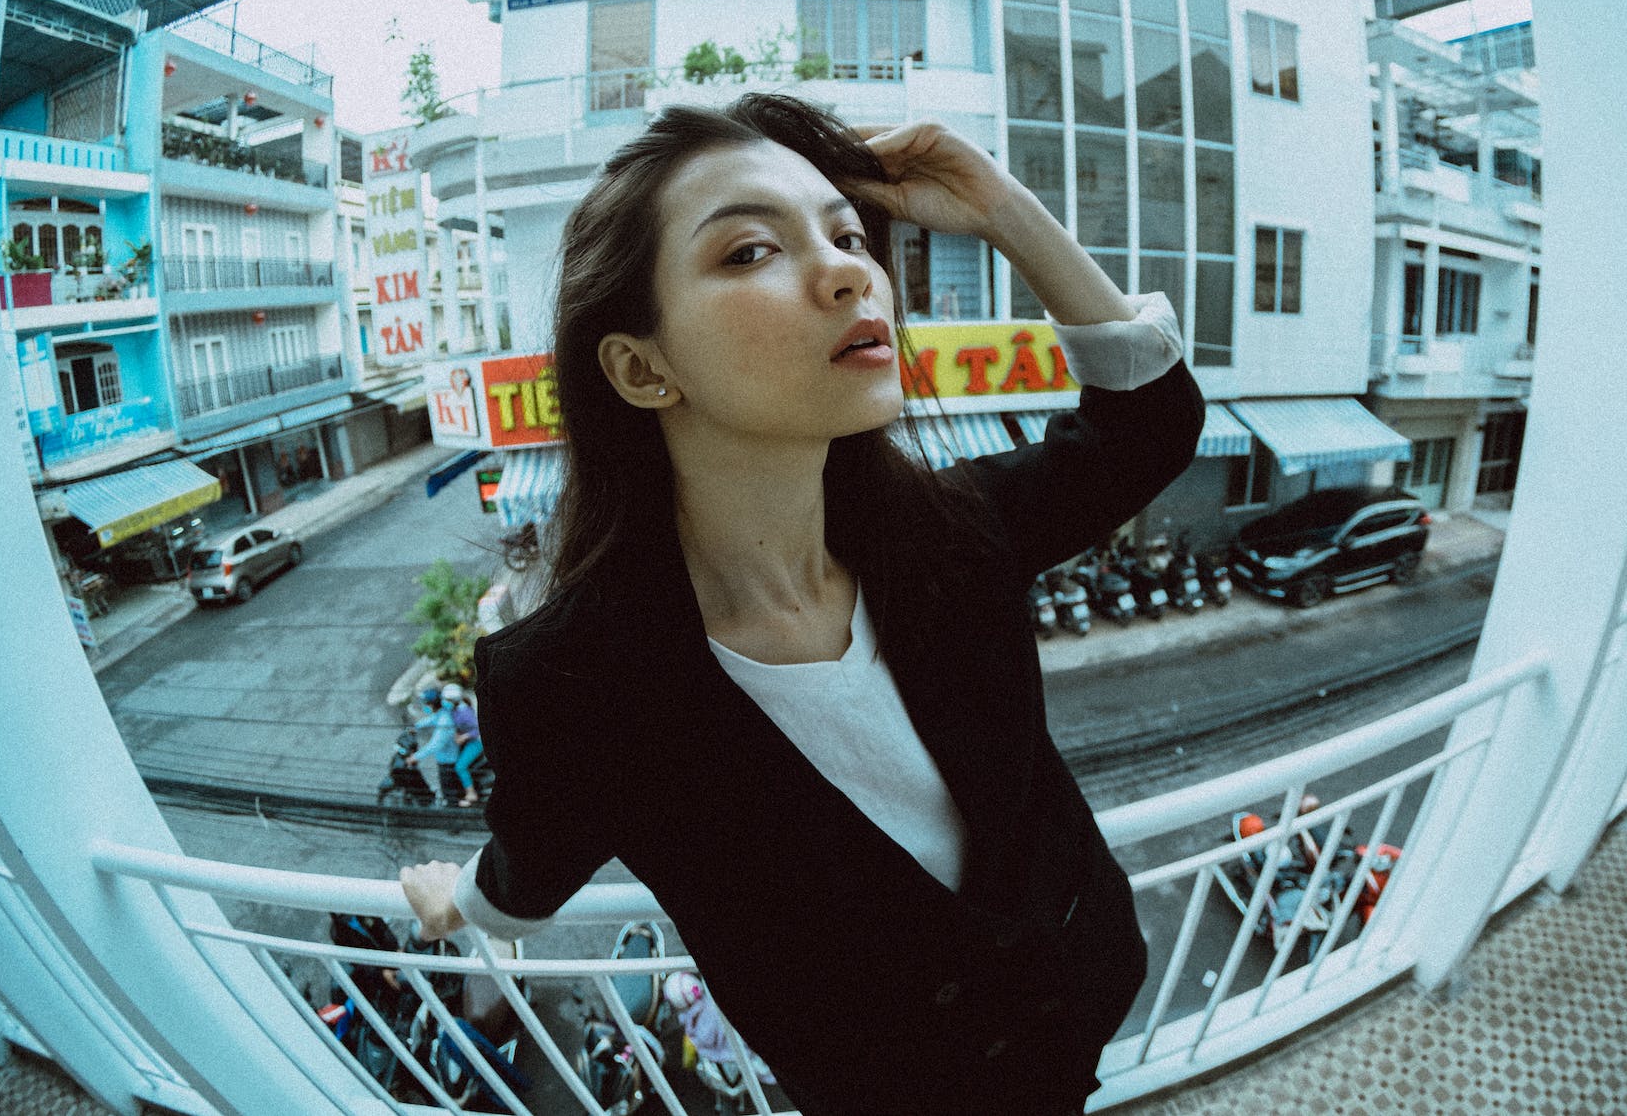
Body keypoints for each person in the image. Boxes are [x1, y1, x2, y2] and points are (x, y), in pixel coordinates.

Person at [399, 93, 1203, 1114]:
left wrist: (1000, 206)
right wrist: (455, 900)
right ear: (642, 367)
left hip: (1078, 998)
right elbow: (529, 868)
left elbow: (1148, 426)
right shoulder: (573, 680)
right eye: (746, 251)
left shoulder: (950, 535)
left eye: (846, 232)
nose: (846, 270)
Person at [405, 687, 460, 803]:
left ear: (432, 704)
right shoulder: (442, 712)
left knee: (448, 792)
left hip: (448, 760)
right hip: (446, 757)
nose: (425, 706)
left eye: (426, 704)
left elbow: (434, 745)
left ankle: (452, 810)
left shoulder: (445, 721)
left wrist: (415, 757)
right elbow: (431, 719)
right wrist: (415, 727)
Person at [445, 682, 483, 805]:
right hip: (466, 741)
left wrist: (463, 737)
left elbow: (478, 729)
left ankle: (471, 794)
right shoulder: (455, 709)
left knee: (460, 766)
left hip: (475, 742)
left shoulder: (464, 712)